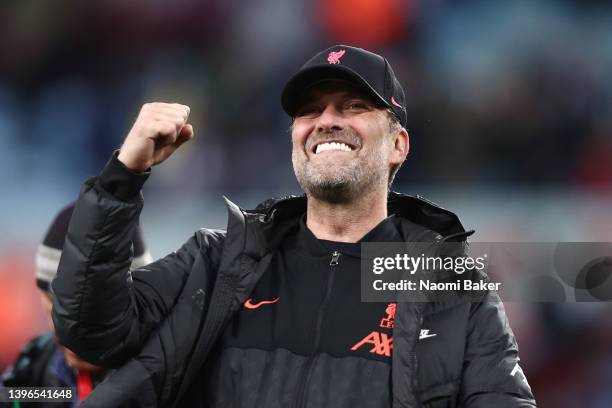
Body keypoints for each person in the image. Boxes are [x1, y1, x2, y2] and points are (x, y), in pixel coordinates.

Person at [51, 45, 537, 407]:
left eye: (352, 107)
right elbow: (89, 330)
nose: (326, 120)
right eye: (310, 110)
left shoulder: (451, 287)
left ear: (398, 145)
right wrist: (123, 177)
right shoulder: (217, 263)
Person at [1, 202, 151, 407]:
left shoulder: (170, 376)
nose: (70, 332)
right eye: (56, 309)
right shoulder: (33, 367)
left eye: (92, 313)